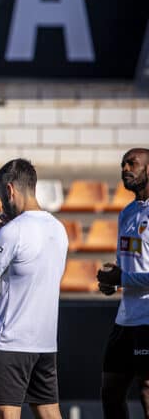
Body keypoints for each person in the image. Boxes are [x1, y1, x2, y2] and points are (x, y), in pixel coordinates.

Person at [0, 159, 67, 419]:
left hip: (11, 342)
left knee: (5, 413)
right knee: (49, 411)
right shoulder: (59, 229)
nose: (1, 204)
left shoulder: (12, 231)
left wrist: (3, 293)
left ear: (10, 190)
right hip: (45, 342)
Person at [97, 148, 149, 419]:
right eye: (123, 164)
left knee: (146, 390)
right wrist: (112, 282)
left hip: (147, 319)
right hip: (125, 319)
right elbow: (127, 266)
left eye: (132, 164)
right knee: (110, 392)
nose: (125, 169)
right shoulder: (127, 213)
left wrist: (123, 279)